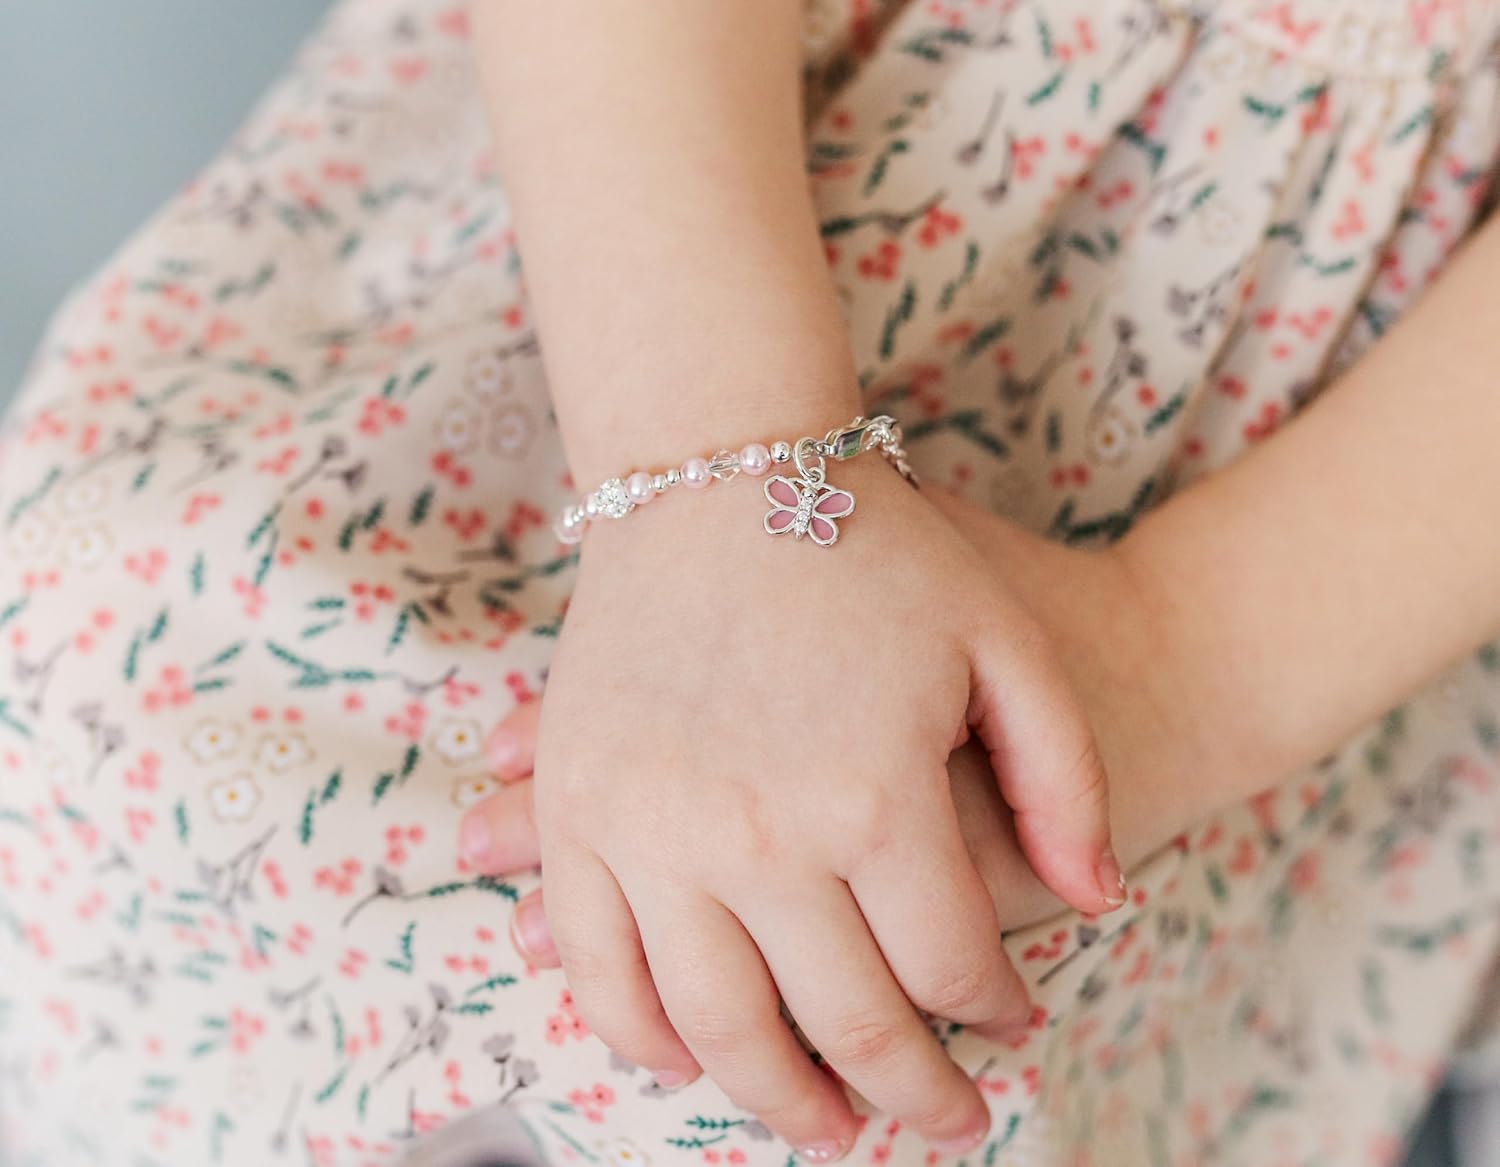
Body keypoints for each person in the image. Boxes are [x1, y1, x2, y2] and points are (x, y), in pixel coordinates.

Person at [2, 0, 1500, 1163]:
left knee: (852, 1047)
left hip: (1345, 521)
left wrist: (1169, 667)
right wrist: (710, 470)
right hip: (653, 185)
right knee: (128, 670)